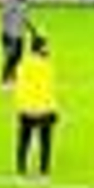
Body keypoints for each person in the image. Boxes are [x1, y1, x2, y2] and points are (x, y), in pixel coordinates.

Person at [15, 35, 58, 178]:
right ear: (41, 49)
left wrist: (20, 106)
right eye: (46, 46)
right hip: (43, 109)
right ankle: (44, 171)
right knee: (45, 143)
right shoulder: (46, 66)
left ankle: (21, 169)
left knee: (23, 141)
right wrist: (53, 109)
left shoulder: (22, 65)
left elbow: (20, 88)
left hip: (25, 109)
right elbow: (48, 89)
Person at [0, 0, 32, 87]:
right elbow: (4, 17)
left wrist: (32, 29)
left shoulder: (24, 1)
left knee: (18, 57)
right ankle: (4, 80)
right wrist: (7, 33)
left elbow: (25, 17)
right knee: (10, 57)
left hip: (19, 34)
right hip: (10, 34)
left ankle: (14, 77)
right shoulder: (10, 1)